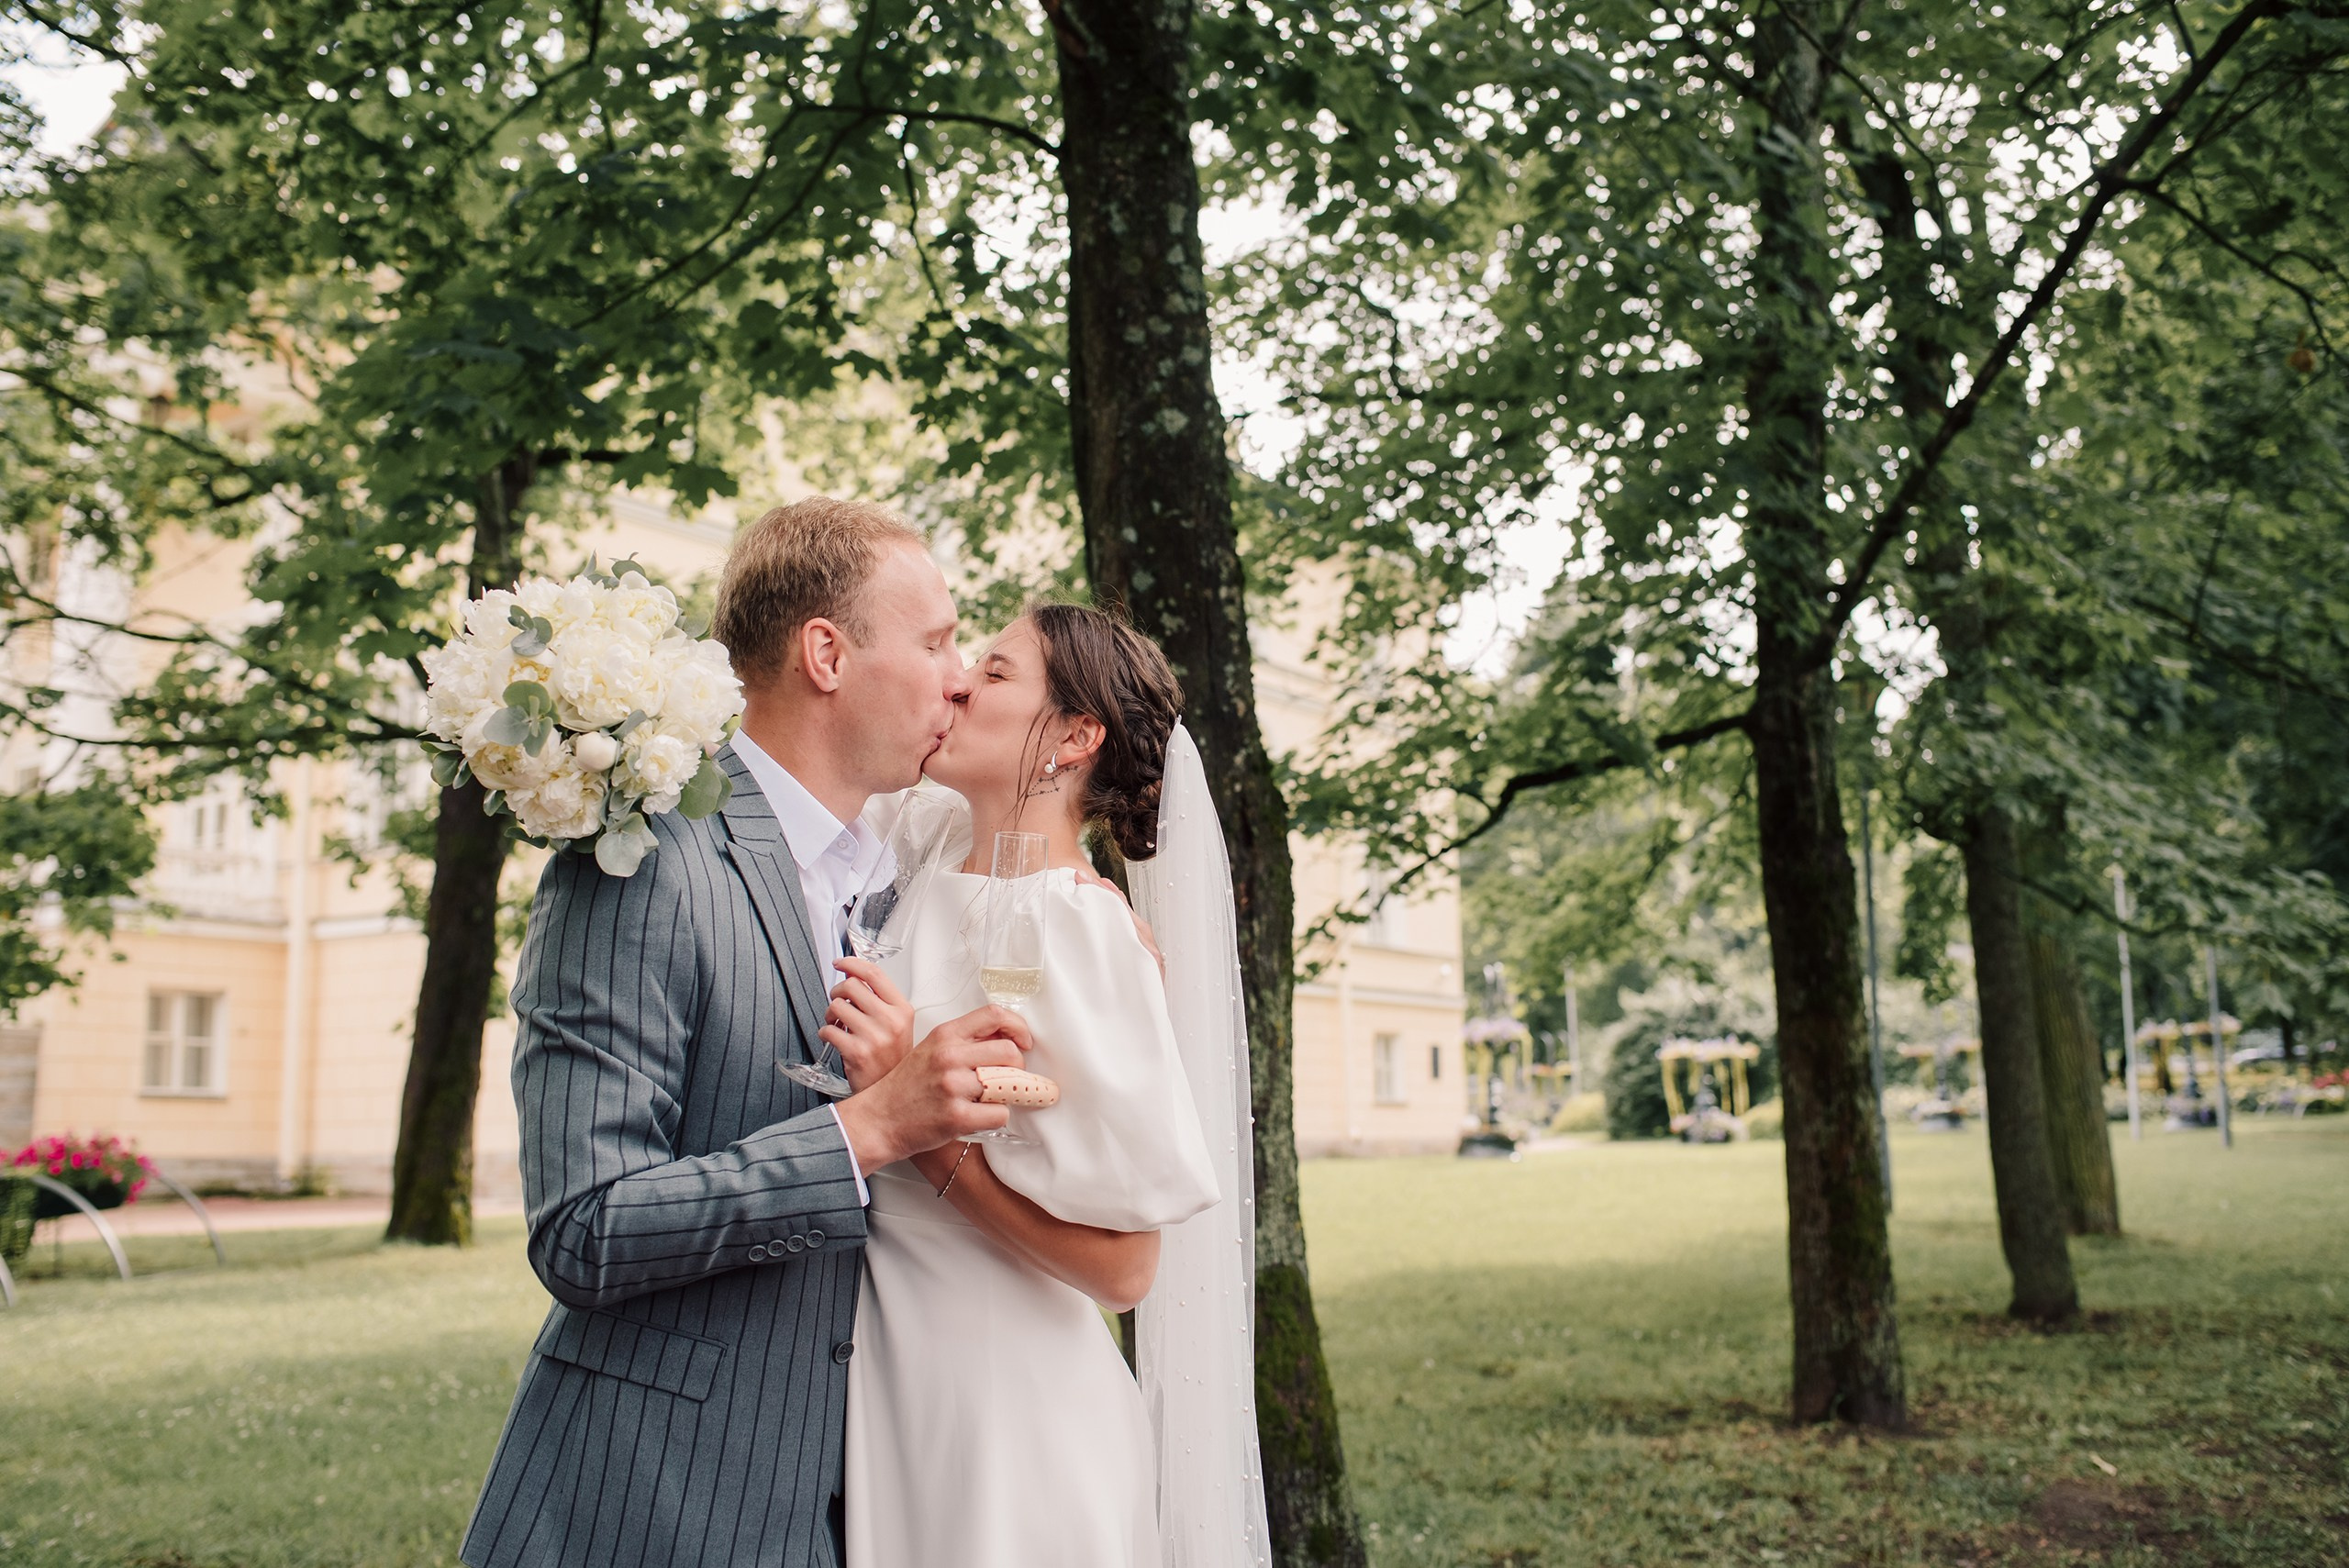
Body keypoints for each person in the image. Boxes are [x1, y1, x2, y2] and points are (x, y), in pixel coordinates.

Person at [462, 496, 1030, 1568]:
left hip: (866, 1501)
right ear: (826, 653)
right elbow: (582, 1227)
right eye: (936, 642)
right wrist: (870, 1128)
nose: (959, 678)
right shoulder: (643, 862)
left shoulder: (897, 868)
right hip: (650, 1506)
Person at [821, 604, 1273, 1567]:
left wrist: (924, 1137)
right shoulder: (919, 860)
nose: (956, 684)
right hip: (895, 1388)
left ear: (1074, 737)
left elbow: (1127, 1271)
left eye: (993, 672)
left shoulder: (1081, 929)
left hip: (1011, 1413)